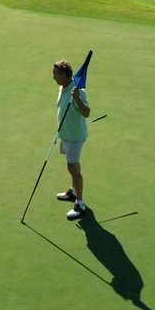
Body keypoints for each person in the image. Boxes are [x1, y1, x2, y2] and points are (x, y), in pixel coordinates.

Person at [53, 60, 90, 220]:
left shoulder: (77, 91)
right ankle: (73, 192)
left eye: (56, 74)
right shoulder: (63, 87)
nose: (53, 77)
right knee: (71, 166)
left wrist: (77, 99)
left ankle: (80, 204)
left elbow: (86, 112)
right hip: (66, 135)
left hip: (74, 137)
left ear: (65, 75)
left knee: (75, 170)